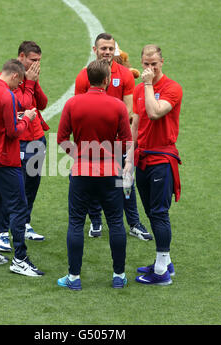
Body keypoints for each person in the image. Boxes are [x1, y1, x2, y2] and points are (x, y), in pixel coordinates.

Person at [57, 59, 133, 290]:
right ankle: (118, 276)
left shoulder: (72, 103)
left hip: (81, 173)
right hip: (111, 173)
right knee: (116, 223)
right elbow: (127, 141)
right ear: (107, 80)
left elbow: (61, 139)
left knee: (76, 223)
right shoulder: (118, 106)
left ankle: (74, 278)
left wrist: (80, 155)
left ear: (87, 79)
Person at [75, 32, 152, 241]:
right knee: (91, 182)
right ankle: (96, 220)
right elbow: (78, 110)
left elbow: (129, 110)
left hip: (117, 142)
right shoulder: (83, 76)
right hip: (91, 144)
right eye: (103, 48)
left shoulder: (125, 75)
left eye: (110, 49)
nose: (107, 52)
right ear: (95, 50)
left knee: (126, 182)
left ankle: (134, 222)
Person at [0, 59, 44, 276]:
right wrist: (28, 118)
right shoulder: (7, 95)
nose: (17, 86)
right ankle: (20, 259)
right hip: (5, 159)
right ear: (14, 75)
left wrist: (16, 118)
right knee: (19, 207)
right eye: (18, 82)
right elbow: (14, 132)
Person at [131, 45, 183, 285]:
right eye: (146, 64)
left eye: (154, 64)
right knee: (152, 212)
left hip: (162, 159)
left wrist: (150, 84)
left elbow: (154, 113)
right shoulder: (139, 88)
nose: (149, 69)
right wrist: (129, 157)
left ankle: (161, 273)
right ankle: (166, 262)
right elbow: (137, 122)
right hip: (142, 159)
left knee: (160, 213)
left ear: (163, 62)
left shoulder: (172, 88)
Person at [0, 41, 49, 252]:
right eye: (33, 60)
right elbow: (22, 105)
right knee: (13, 189)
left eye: (39, 61)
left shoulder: (31, 80)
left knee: (31, 186)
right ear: (21, 57)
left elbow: (42, 103)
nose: (36, 64)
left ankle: (24, 223)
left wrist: (34, 83)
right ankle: (1, 232)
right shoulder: (13, 78)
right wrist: (28, 82)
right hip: (19, 141)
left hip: (36, 139)